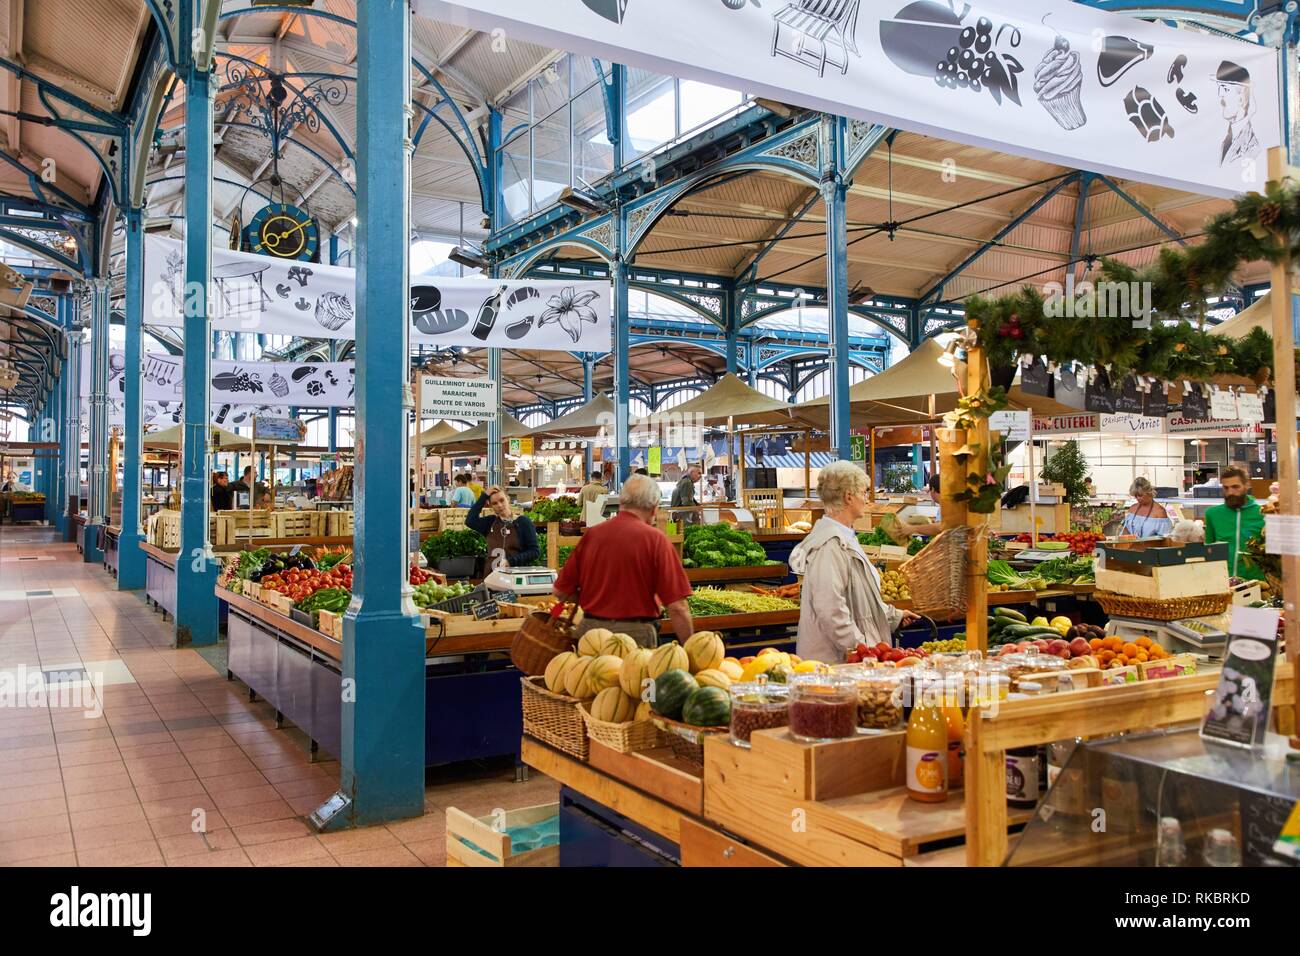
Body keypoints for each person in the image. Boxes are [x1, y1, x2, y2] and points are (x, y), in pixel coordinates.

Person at [790, 461, 919, 663]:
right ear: (849, 497)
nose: (867, 499)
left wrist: (894, 616)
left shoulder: (846, 538)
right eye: (864, 492)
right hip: (835, 666)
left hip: (851, 663)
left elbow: (860, 598)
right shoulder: (829, 546)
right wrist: (863, 650)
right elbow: (831, 610)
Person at [554, 473, 693, 648]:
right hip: (636, 637)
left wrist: (594, 601)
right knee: (632, 676)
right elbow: (678, 608)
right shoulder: (656, 540)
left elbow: (560, 591)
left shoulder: (593, 535)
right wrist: (691, 651)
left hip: (590, 635)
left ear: (622, 503)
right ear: (654, 508)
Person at [1204, 466, 1265, 580]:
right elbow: (1209, 551)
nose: (1230, 492)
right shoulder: (1212, 514)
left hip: (1257, 583)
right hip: (1223, 582)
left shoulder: (1262, 514)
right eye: (1225, 488)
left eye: (1235, 487)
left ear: (1246, 485)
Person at [466, 485, 540, 569]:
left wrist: (511, 561)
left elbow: (534, 551)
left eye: (502, 500)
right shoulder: (489, 523)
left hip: (515, 576)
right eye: (494, 503)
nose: (500, 505)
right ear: (491, 506)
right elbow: (470, 521)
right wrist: (484, 496)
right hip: (491, 577)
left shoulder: (523, 522)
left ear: (508, 499)